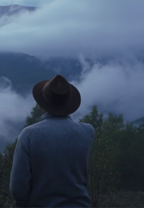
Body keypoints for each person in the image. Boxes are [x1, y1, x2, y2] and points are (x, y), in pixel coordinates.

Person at [9, 75, 95, 208]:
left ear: (41, 103)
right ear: (69, 102)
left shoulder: (28, 135)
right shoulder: (88, 132)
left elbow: (18, 186)